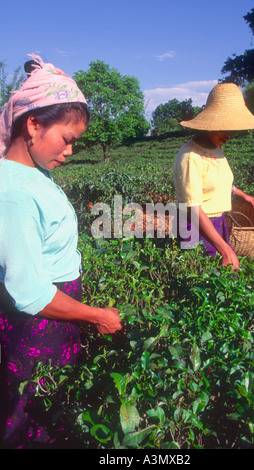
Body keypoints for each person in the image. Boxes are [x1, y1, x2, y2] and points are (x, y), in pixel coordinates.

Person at [0, 55, 122, 449]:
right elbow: (29, 291)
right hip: (36, 325)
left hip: (55, 315)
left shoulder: (34, 173)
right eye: (67, 139)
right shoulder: (13, 192)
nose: (70, 151)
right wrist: (96, 316)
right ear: (33, 124)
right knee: (31, 419)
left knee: (54, 406)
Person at [174, 83, 254, 270]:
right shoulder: (189, 157)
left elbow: (216, 182)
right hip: (197, 226)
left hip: (217, 222)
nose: (230, 134)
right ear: (209, 124)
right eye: (224, 127)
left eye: (232, 128)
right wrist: (226, 249)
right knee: (202, 279)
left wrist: (241, 195)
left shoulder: (216, 148)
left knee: (219, 276)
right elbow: (193, 208)